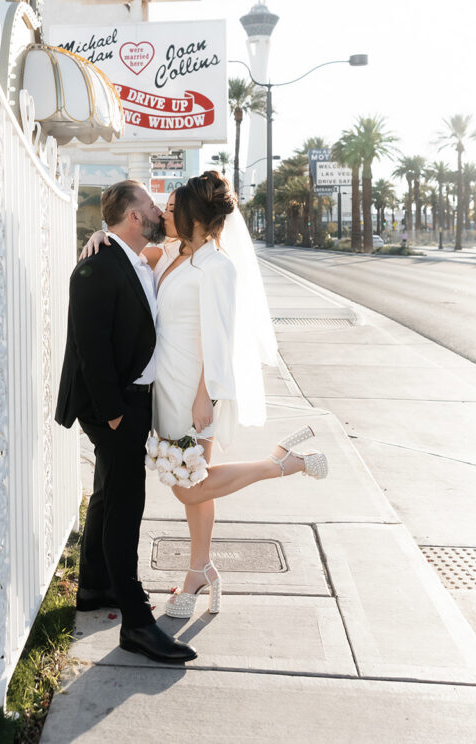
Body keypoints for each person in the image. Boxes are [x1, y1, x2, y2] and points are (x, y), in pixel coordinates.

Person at [82, 171, 327, 620]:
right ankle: (199, 570)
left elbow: (219, 340)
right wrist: (101, 234)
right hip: (166, 386)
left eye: (172, 209)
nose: (163, 214)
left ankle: (283, 464)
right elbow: (127, 244)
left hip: (196, 392)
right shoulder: (175, 253)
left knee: (188, 486)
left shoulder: (218, 266)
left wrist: (204, 398)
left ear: (195, 214)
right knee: (196, 483)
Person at [55, 179, 196, 663]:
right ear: (135, 217)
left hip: (131, 402)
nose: (160, 213)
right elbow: (89, 348)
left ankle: (95, 588)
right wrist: (115, 413)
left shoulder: (135, 259)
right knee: (125, 507)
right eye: (153, 207)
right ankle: (136, 623)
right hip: (112, 407)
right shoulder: (96, 267)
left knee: (108, 494)